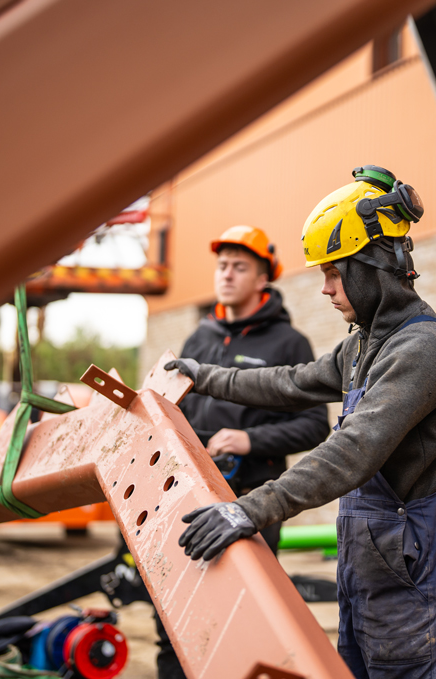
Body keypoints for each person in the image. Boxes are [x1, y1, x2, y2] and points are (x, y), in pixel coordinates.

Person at [166, 166, 436, 678]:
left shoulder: (422, 348)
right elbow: (290, 382)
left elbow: (354, 450)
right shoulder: (364, 343)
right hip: (372, 569)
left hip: (415, 578)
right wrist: (203, 376)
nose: (326, 289)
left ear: (370, 267)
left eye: (335, 273)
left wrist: (251, 509)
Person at [155, 224, 329, 679]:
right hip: (189, 494)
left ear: (263, 278)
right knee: (172, 619)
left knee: (237, 617)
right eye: (222, 266)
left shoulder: (288, 343)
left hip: (250, 500)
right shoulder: (199, 339)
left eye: (239, 267)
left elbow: (315, 425)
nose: (227, 274)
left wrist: (249, 440)